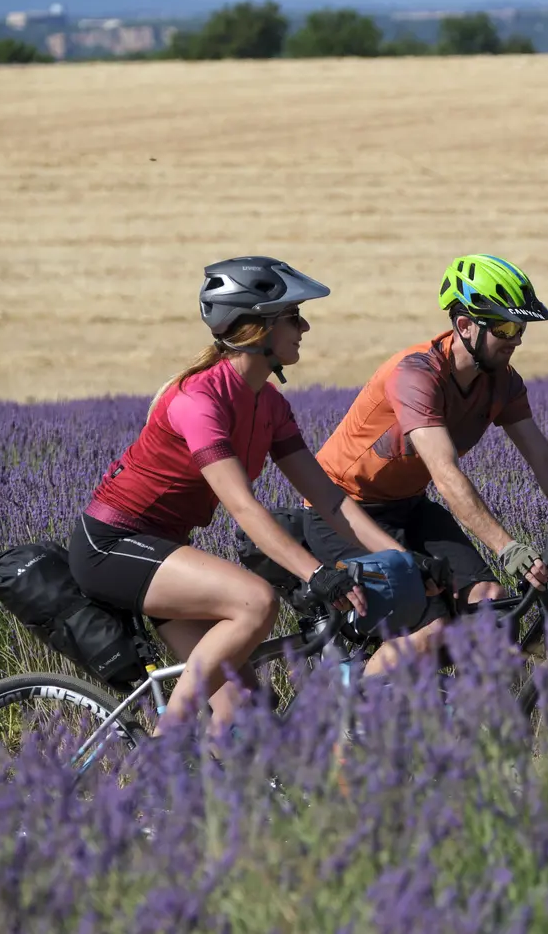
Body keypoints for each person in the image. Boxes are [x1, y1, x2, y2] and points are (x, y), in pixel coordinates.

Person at [68, 256, 420, 731]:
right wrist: (316, 573)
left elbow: (329, 499)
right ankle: (164, 742)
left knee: (243, 714)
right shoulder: (199, 400)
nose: (306, 326)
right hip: (111, 546)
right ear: (258, 328)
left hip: (164, 549)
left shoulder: (269, 404)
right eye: (294, 317)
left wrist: (403, 559)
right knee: (255, 601)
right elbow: (241, 505)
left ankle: (182, 803)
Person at [307, 253, 548, 667]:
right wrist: (507, 547)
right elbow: (445, 474)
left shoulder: (503, 382)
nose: (516, 339)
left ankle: (443, 711)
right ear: (465, 326)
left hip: (408, 507)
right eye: (507, 327)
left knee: (490, 603)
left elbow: (544, 460)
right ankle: (357, 724)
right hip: (341, 510)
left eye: (522, 328)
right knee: (433, 629)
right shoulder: (417, 375)